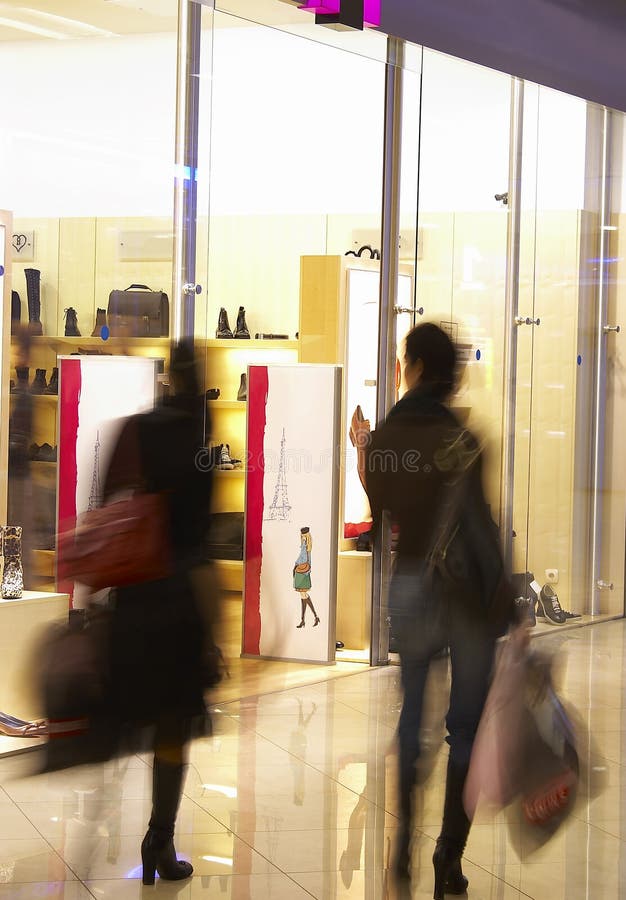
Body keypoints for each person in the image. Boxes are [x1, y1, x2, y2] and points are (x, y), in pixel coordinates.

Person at [354, 323, 514, 899]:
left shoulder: (394, 431)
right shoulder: (464, 439)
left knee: (410, 721)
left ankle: (402, 846)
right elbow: (481, 525)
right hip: (469, 598)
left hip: (413, 584)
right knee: (464, 731)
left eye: (404, 360)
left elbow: (380, 506)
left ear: (416, 365)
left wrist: (366, 450)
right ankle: (449, 855)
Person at [102, 340, 214, 885]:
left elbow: (105, 506)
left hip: (135, 595)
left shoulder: (135, 430)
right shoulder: (199, 447)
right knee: (173, 726)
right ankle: (158, 840)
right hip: (178, 604)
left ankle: (98, 831)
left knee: (127, 715)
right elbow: (201, 546)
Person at [293, 526, 319, 628]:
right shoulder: (308, 544)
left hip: (301, 571)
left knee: (303, 595)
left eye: (302, 535)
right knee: (303, 596)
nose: (301, 536)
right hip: (305, 571)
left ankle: (309, 618)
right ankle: (308, 619)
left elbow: (302, 558)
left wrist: (295, 565)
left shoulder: (305, 544)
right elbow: (309, 560)